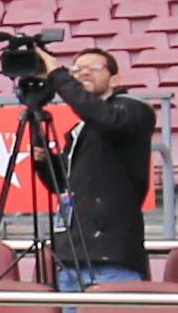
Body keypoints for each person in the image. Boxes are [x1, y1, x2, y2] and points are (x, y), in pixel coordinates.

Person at [42, 45, 153, 292]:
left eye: (93, 68)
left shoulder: (133, 110)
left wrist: (58, 76)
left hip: (111, 258)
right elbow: (61, 183)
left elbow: (106, 119)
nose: (83, 73)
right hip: (71, 256)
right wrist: (41, 156)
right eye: (77, 69)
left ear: (115, 79)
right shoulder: (79, 129)